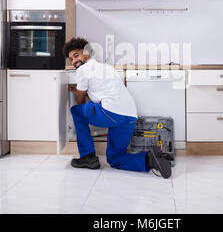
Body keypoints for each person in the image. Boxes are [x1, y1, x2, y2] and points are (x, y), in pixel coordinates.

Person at [63, 37, 172, 178]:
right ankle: (150, 159)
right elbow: (102, 95)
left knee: (76, 111)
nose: (74, 62)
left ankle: (88, 157)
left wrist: (80, 93)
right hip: (130, 116)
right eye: (71, 59)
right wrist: (81, 91)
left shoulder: (83, 69)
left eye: (76, 56)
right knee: (114, 158)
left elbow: (81, 101)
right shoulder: (108, 68)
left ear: (87, 53)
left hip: (111, 114)